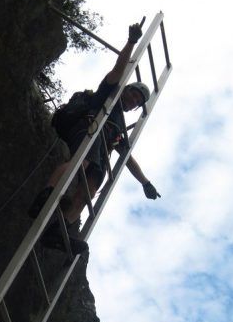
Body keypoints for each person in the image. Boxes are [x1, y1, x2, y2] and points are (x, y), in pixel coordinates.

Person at [28, 21, 161, 253]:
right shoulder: (108, 97)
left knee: (92, 185)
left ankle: (58, 232)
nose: (133, 102)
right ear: (126, 89)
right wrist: (131, 42)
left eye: (138, 103)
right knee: (84, 159)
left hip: (98, 147)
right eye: (133, 95)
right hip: (84, 128)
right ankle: (46, 194)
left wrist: (145, 182)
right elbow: (119, 69)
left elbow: (127, 158)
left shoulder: (119, 126)